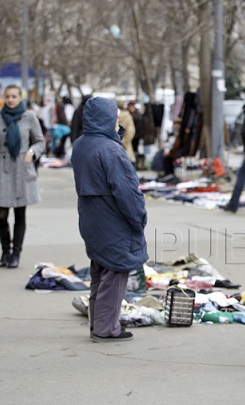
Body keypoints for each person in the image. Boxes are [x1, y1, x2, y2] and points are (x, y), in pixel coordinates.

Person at [71, 97, 148, 343]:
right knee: (115, 275)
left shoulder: (81, 144)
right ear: (106, 119)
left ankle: (99, 324)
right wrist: (139, 218)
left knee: (99, 274)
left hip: (91, 218)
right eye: (114, 117)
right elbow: (126, 191)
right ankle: (106, 329)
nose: (118, 121)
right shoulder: (111, 149)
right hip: (113, 220)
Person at [0, 84, 45, 268]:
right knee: (1, 215)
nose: (10, 100)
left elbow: (40, 141)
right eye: (7, 96)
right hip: (4, 168)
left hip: (22, 169)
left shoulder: (29, 116)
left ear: (20, 98)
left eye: (14, 96)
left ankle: (16, 254)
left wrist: (31, 152)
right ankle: (5, 252)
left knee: (19, 213)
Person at [117, 100, 136, 165]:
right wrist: (122, 142)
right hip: (126, 149)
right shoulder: (127, 117)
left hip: (112, 149)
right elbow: (131, 132)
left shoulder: (110, 116)